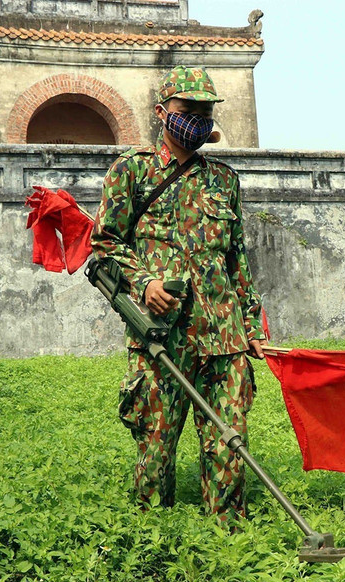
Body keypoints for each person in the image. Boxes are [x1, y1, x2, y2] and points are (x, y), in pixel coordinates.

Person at [91, 66, 267, 527]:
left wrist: (251, 328)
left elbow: (237, 260)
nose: (199, 121)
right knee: (156, 445)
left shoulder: (225, 180)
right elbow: (105, 243)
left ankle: (230, 538)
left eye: (206, 112)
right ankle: (153, 542)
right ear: (162, 113)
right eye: (188, 111)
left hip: (224, 339)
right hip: (161, 339)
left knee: (230, 442)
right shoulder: (131, 171)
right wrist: (144, 283)